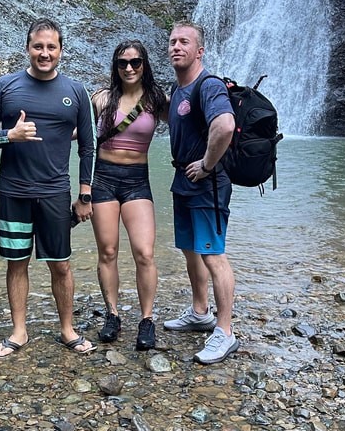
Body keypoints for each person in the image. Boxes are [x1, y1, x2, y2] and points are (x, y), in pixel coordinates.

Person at [0, 17, 97, 357]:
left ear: (61, 51)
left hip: (55, 191)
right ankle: (19, 331)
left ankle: (67, 329)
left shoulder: (76, 92)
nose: (44, 53)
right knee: (17, 262)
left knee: (60, 263)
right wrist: (9, 135)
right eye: (38, 46)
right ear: (28, 48)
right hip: (13, 190)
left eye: (51, 47)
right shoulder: (5, 86)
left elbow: (88, 146)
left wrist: (85, 193)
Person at [164, 20, 239, 364]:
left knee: (213, 254)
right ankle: (199, 311)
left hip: (206, 183)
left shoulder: (208, 85)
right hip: (184, 181)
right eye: (172, 42)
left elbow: (225, 125)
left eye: (184, 42)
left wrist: (207, 164)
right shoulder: (179, 91)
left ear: (199, 50)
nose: (176, 47)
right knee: (191, 250)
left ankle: (224, 332)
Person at [91, 40, 167, 351]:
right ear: (115, 66)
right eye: (123, 62)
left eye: (135, 62)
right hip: (104, 179)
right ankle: (112, 314)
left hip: (138, 180)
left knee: (144, 252)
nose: (129, 67)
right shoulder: (101, 98)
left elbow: (187, 125)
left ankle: (147, 319)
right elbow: (80, 134)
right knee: (107, 251)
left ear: (145, 64)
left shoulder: (157, 101)